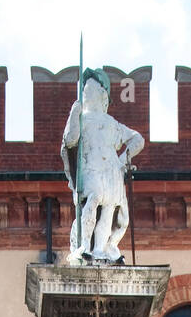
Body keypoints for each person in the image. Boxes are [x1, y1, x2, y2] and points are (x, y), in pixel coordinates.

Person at [61, 68, 145, 264]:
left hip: (110, 172)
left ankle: (99, 249)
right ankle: (84, 245)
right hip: (91, 170)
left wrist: (122, 161)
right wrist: (74, 113)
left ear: (103, 95)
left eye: (91, 88)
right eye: (84, 89)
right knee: (93, 198)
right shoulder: (81, 119)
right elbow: (70, 140)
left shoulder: (111, 123)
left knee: (108, 210)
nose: (86, 92)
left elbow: (137, 140)